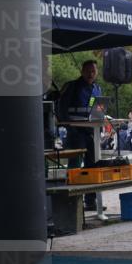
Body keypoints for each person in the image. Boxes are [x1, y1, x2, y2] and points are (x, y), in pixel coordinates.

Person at [57, 59, 102, 210]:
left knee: (93, 165)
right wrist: (68, 125)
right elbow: (61, 107)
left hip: (91, 132)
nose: (91, 74)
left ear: (97, 73)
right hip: (76, 132)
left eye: (93, 71)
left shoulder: (97, 88)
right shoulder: (72, 87)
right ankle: (73, 201)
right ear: (82, 71)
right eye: (88, 71)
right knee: (75, 165)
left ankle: (91, 201)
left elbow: (98, 109)